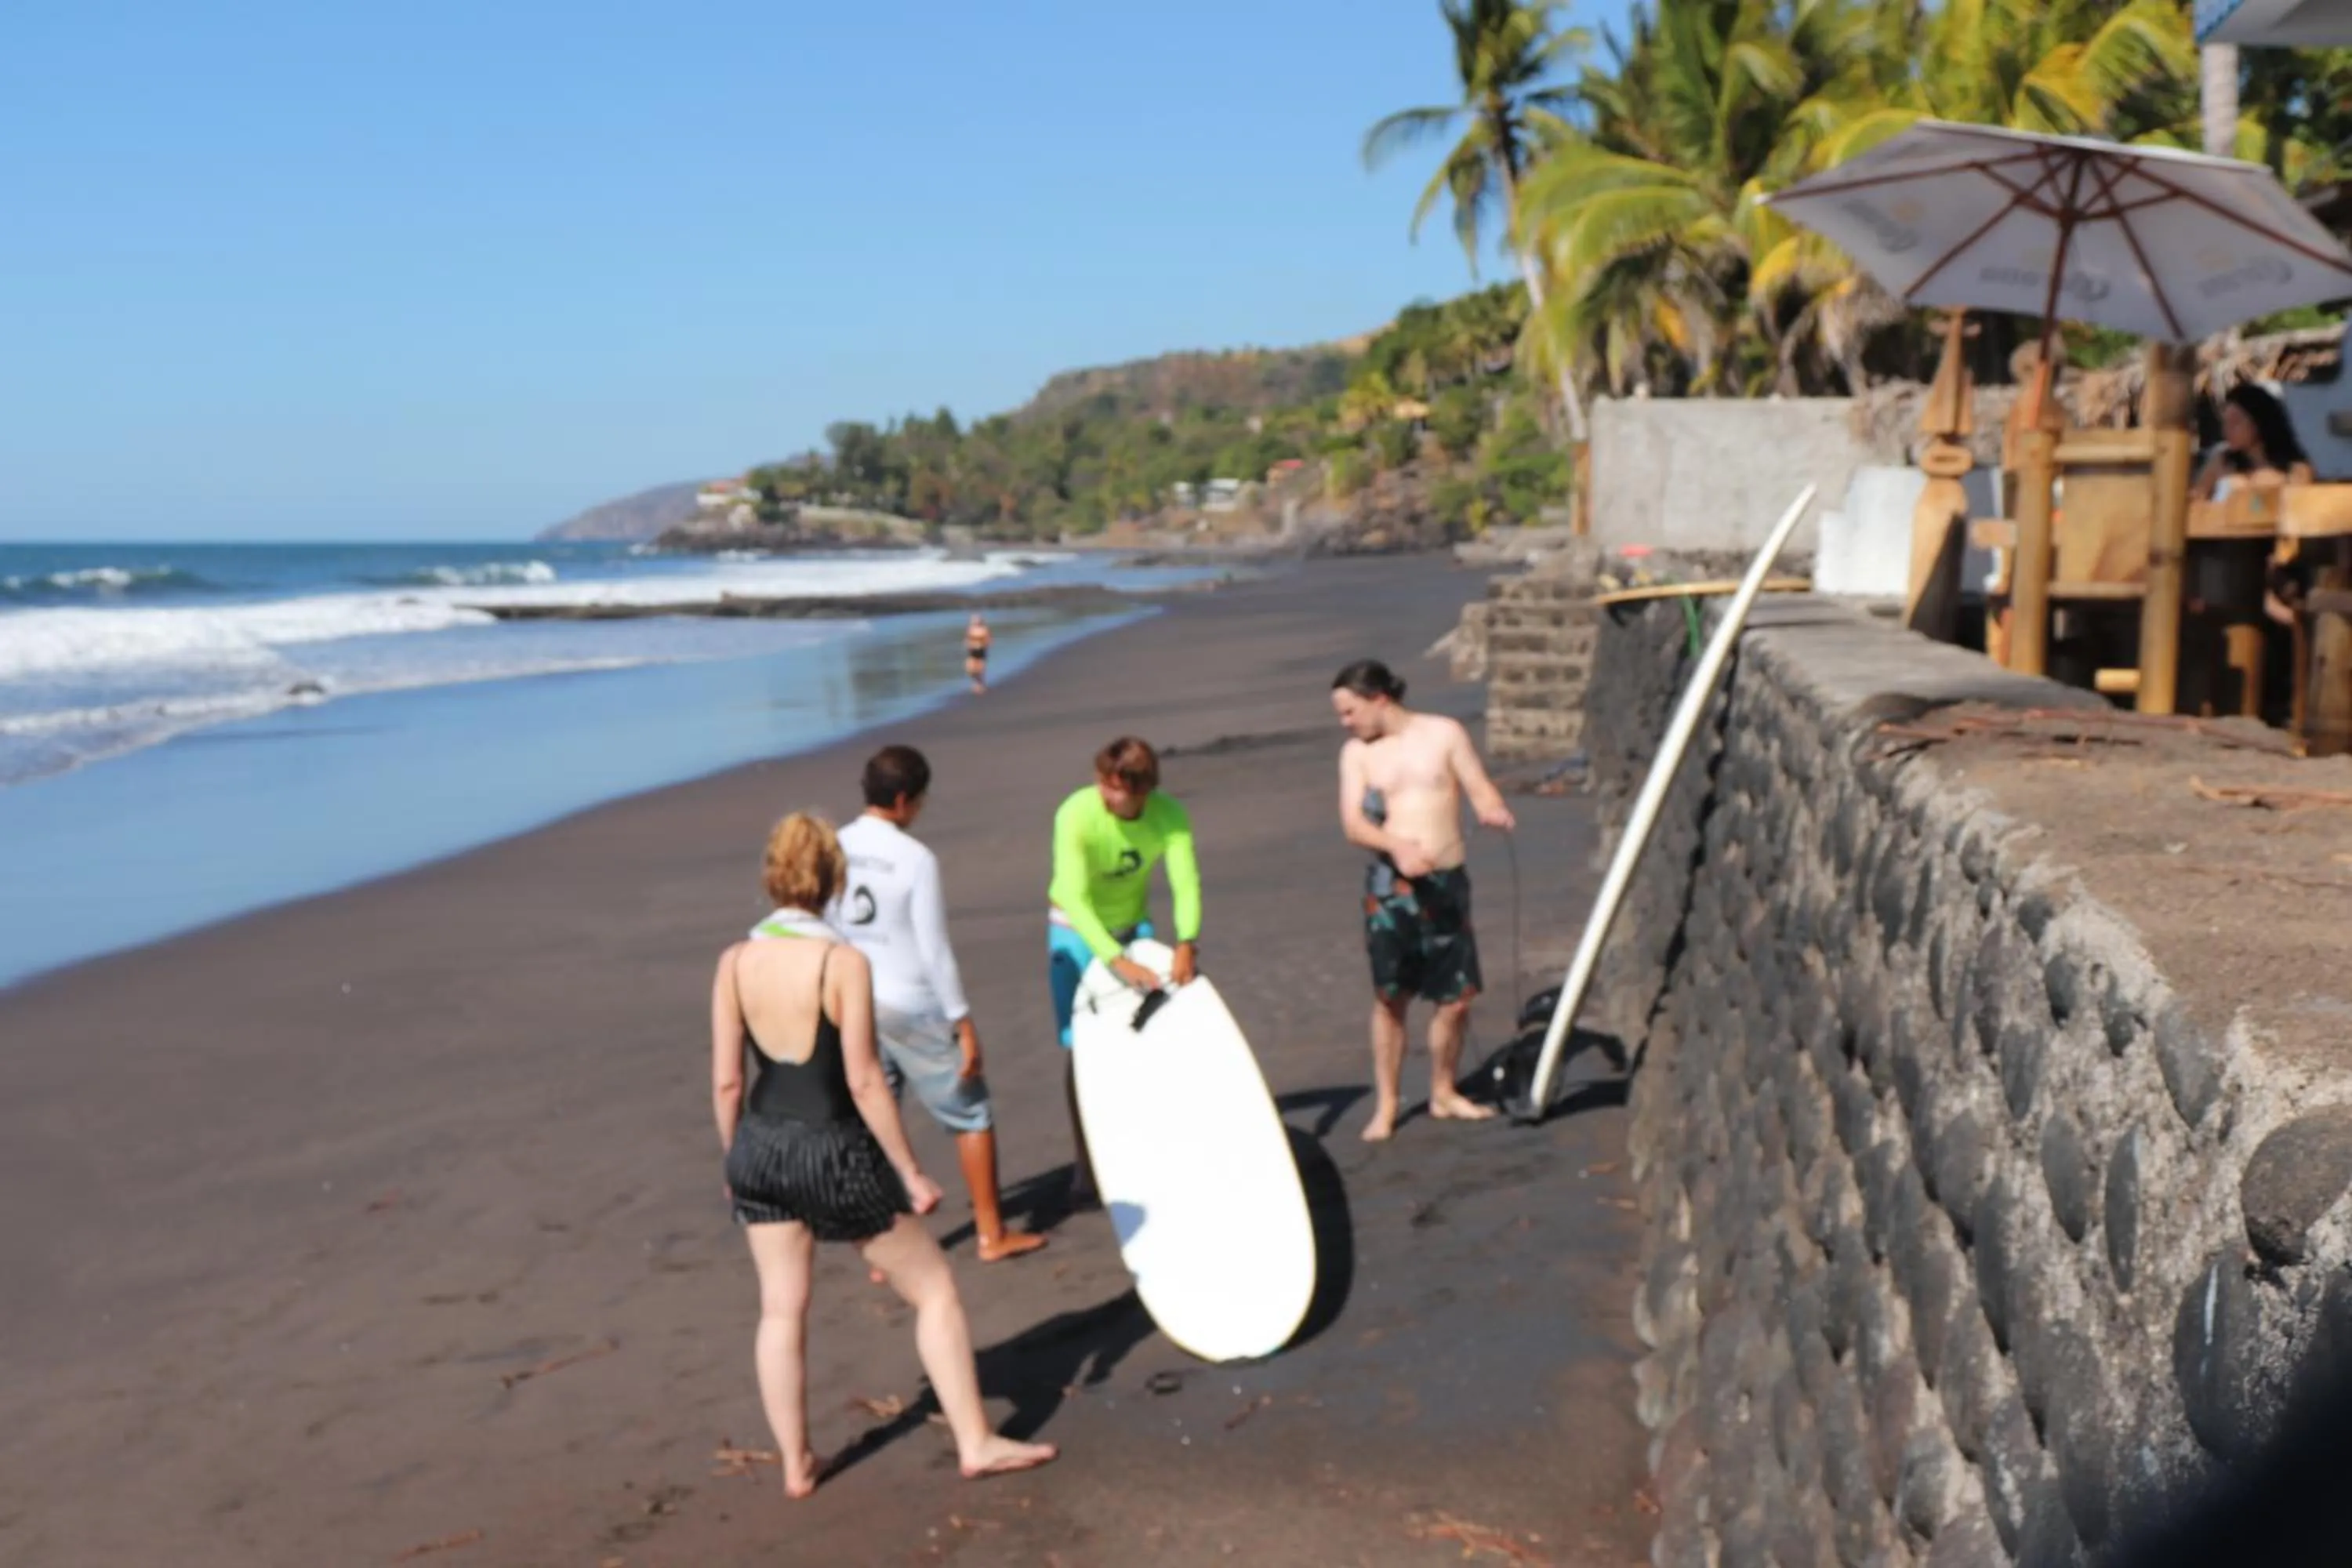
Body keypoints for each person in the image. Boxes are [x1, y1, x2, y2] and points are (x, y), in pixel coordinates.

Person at [712, 812, 1055, 1497]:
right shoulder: (842, 963)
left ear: (772, 876)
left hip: (759, 1146)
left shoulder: (735, 962)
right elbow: (865, 1079)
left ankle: (796, 1465)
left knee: (781, 1308)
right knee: (933, 1290)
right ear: (834, 880)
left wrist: (734, 1162)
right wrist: (909, 1170)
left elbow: (727, 1080)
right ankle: (976, 1441)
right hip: (833, 1150)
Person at [830, 745, 1045, 1263]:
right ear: (904, 799)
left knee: (874, 1119)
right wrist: (962, 1021)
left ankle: (881, 1251)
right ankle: (991, 1234)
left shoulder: (833, 845)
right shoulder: (916, 859)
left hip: (852, 1000)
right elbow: (933, 949)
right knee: (971, 1112)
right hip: (911, 1002)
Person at [1330, 659, 1515, 1142]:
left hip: (1447, 882)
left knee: (1456, 998)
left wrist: (1493, 809)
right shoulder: (1357, 755)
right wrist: (1398, 847)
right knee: (1391, 997)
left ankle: (1444, 1090)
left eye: (1350, 711)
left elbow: (1479, 789)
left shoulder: (1444, 733)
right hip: (1391, 888)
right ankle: (1388, 1102)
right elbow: (1353, 824)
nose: (1345, 723)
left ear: (1379, 699)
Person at [1047, 736, 1202, 1207]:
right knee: (1082, 1051)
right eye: (1102, 784)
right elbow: (1072, 895)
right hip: (1075, 933)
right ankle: (1085, 1164)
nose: (1106, 795)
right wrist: (1116, 960)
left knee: (1152, 1035)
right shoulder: (1075, 812)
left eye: (1116, 790)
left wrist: (1187, 941)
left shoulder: (1168, 815)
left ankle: (1152, 1147)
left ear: (1144, 790)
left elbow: (1184, 880)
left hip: (1135, 928)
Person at [2194, 382, 2314, 503]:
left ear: (2259, 421)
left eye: (2236, 422)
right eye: (2225, 422)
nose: (2227, 430)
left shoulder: (2295, 469)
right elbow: (2196, 500)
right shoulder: (2222, 461)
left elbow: (2301, 508)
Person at [964, 613, 992, 695]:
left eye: (977, 620)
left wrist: (983, 643)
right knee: (970, 669)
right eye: (974, 620)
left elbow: (989, 640)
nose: (975, 621)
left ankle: (979, 685)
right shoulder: (970, 629)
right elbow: (967, 639)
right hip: (972, 650)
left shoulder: (984, 629)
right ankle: (976, 683)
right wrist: (967, 644)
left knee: (980, 670)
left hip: (981, 651)